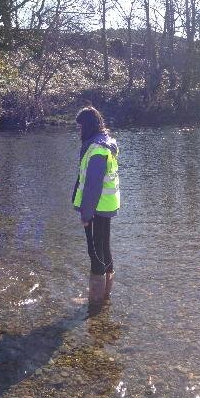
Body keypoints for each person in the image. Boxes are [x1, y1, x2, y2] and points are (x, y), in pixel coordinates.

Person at [73, 107, 121, 311]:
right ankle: (105, 295)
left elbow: (93, 186)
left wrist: (86, 214)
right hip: (105, 205)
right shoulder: (104, 142)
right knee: (104, 247)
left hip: (98, 207)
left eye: (80, 127)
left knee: (94, 251)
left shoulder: (97, 149)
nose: (79, 131)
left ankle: (94, 300)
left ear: (87, 126)